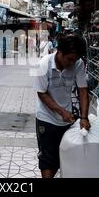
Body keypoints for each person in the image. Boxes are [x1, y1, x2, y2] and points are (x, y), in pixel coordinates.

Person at [33, 35, 90, 178]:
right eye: (69, 59)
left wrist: (84, 117)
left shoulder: (78, 64)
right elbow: (42, 93)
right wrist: (61, 111)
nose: (72, 63)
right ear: (59, 51)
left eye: (75, 60)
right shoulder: (42, 65)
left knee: (60, 157)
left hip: (66, 121)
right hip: (46, 118)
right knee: (46, 159)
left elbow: (83, 91)